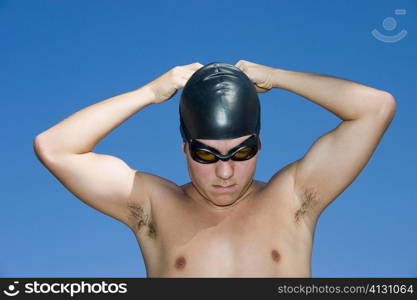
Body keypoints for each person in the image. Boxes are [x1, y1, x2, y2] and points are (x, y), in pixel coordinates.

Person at [33, 60, 396, 277]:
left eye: (242, 153)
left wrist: (277, 76)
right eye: (207, 156)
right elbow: (55, 147)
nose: (225, 174)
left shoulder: (293, 198)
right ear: (185, 149)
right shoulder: (154, 207)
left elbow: (376, 107)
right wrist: (151, 91)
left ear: (260, 146)